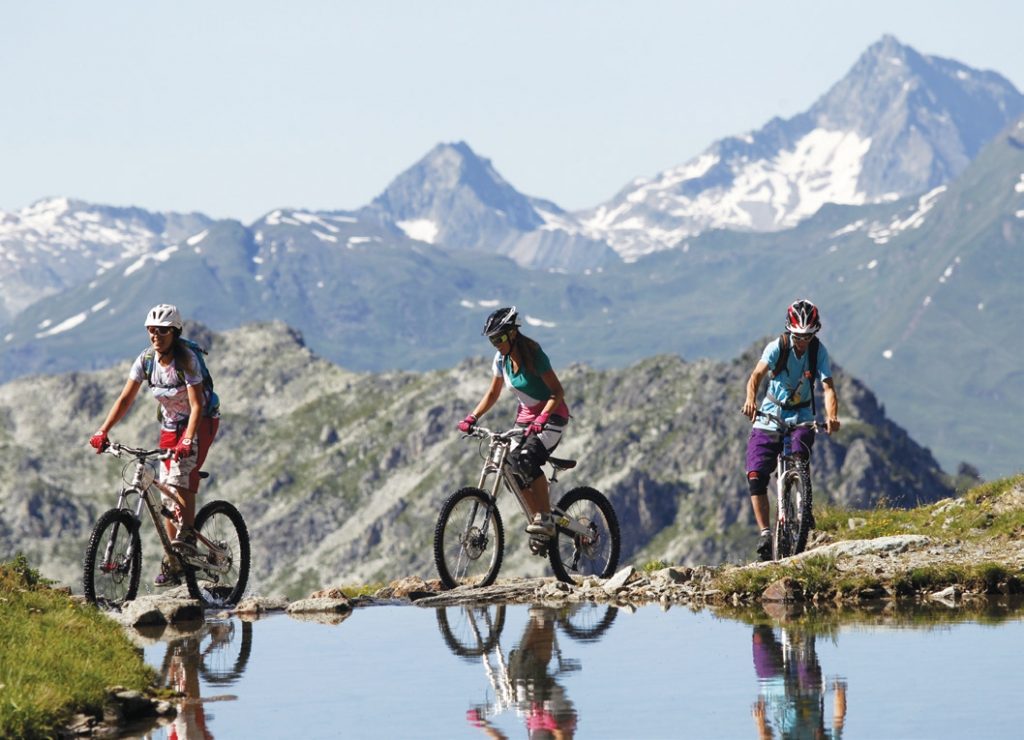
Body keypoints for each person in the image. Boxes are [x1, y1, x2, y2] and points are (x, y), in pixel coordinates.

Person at [89, 304, 220, 586]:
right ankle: (175, 559)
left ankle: (186, 541)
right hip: (171, 423)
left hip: (201, 421)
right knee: (164, 493)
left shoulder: (186, 360)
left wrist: (188, 439)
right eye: (151, 330)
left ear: (174, 332)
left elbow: (197, 405)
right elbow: (125, 399)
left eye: (161, 331)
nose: (155, 336)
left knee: (179, 476)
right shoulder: (146, 360)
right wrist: (103, 430)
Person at [458, 306, 570, 545]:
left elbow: (557, 392)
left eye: (499, 338)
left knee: (527, 458)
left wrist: (542, 418)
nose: (495, 344)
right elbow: (492, 393)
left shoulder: (535, 355)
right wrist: (472, 417)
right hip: (526, 416)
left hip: (552, 415)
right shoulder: (501, 359)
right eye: (491, 340)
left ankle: (546, 518)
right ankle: (536, 520)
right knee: (509, 464)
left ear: (512, 334)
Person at [741, 299, 840, 562]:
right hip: (770, 415)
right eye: (798, 336)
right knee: (756, 475)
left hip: (802, 415)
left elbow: (828, 387)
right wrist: (751, 400)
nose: (803, 341)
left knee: (799, 454)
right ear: (789, 331)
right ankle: (765, 533)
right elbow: (756, 376)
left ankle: (802, 507)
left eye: (808, 335)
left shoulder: (818, 351)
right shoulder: (778, 347)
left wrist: (832, 416)